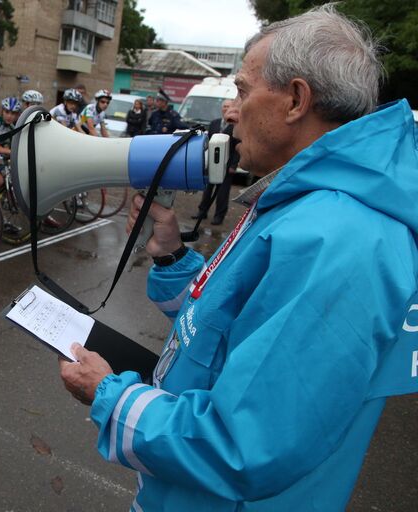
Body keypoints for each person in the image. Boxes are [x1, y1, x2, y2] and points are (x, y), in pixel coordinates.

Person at [59, 5, 418, 510]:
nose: (232, 108)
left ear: (295, 100)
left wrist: (109, 396)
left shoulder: (340, 239)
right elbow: (240, 320)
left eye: (244, 90)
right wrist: (171, 256)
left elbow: (245, 446)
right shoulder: (311, 206)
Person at [192, 99, 240, 225]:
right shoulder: (214, 123)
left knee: (222, 193)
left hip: (227, 165)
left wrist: (234, 165)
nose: (226, 108)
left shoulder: (236, 125)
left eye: (228, 106)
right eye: (224, 106)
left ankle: (219, 216)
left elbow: (237, 147)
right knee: (207, 190)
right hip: (212, 164)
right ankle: (202, 212)